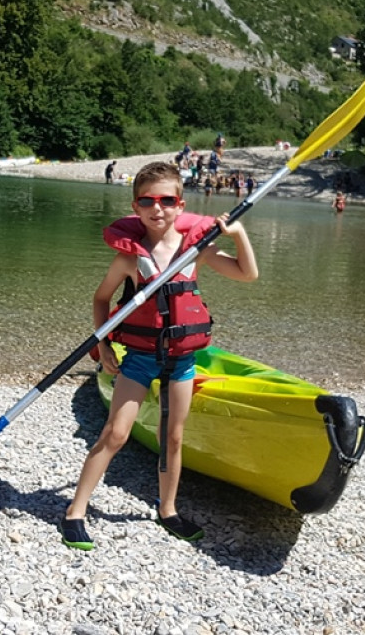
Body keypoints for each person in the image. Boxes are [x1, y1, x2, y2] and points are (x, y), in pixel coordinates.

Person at [61, 161, 259, 551]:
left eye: (167, 200)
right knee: (116, 434)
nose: (158, 208)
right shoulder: (131, 258)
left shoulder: (196, 251)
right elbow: (102, 298)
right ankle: (75, 511)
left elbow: (246, 274)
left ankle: (167, 509)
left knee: (174, 437)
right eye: (147, 201)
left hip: (182, 362)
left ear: (180, 205)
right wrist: (103, 347)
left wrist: (239, 234)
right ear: (135, 207)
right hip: (139, 358)